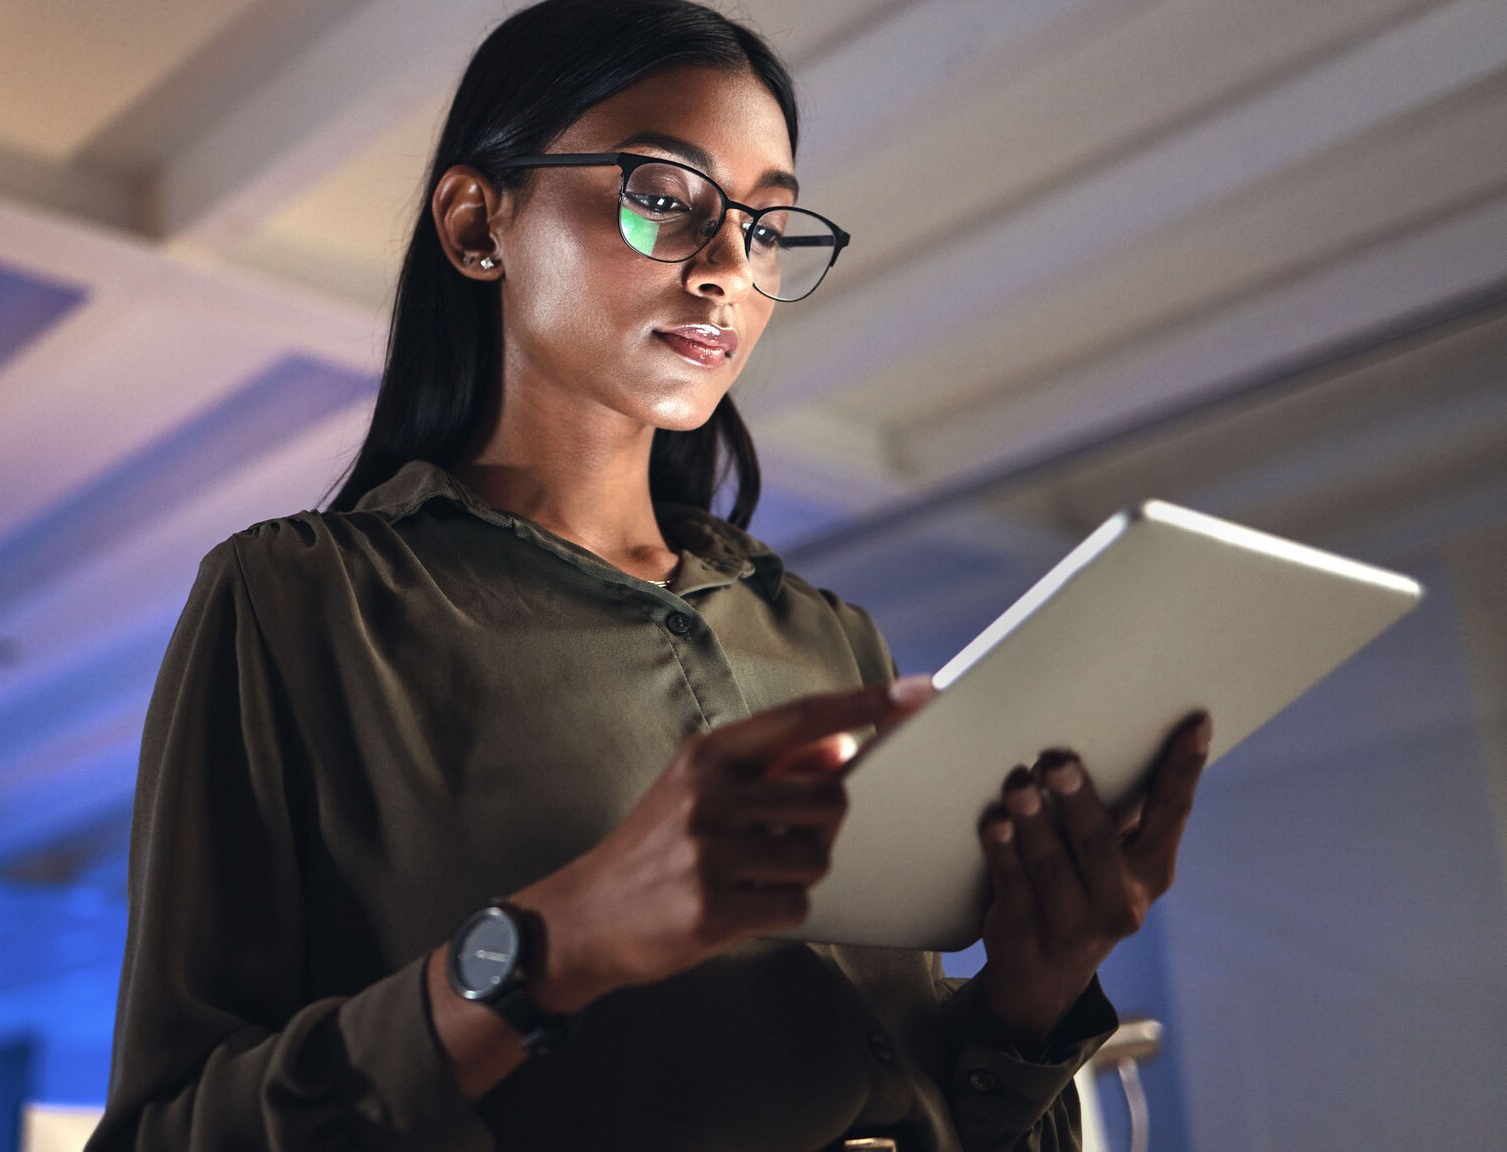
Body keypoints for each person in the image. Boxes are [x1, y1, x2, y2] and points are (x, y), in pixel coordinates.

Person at [83, 2, 1211, 1149]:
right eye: (664, 197)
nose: (729, 267)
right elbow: (167, 1133)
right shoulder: (300, 604)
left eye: (767, 228)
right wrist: (554, 942)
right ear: (479, 224)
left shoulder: (828, 641)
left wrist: (1029, 995)